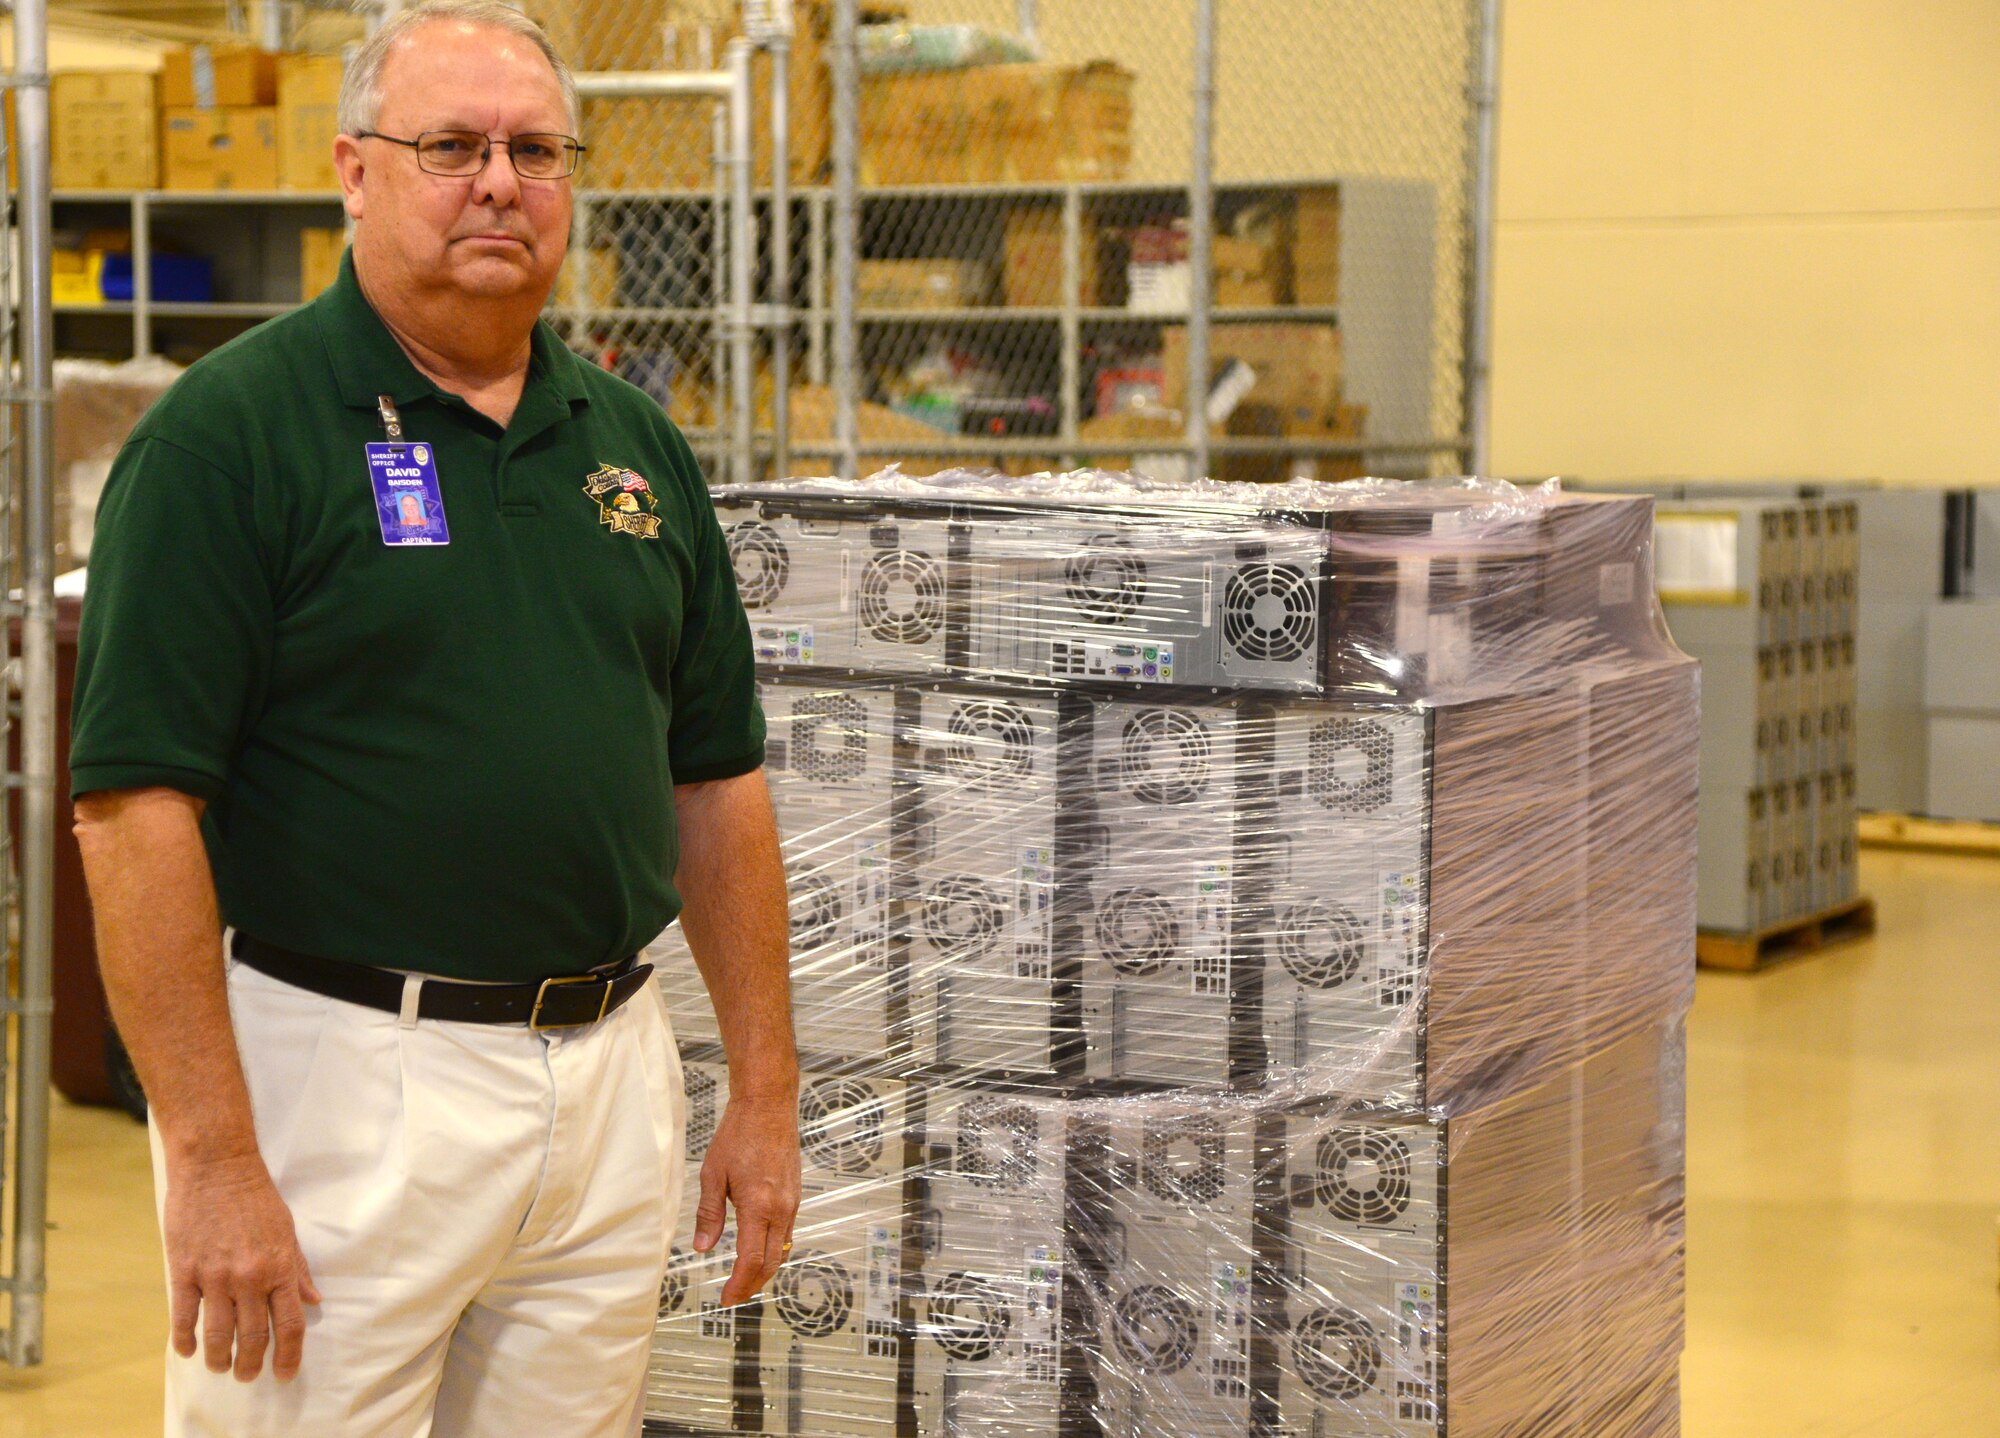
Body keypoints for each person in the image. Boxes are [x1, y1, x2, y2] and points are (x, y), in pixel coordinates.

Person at [68, 4, 799, 1433]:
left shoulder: (634, 452)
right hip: (342, 1083)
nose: (499, 182)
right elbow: (132, 810)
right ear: (354, 169)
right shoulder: (231, 439)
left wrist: (765, 1090)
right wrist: (211, 1156)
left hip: (605, 1076)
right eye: (450, 145)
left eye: (535, 149)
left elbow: (716, 782)